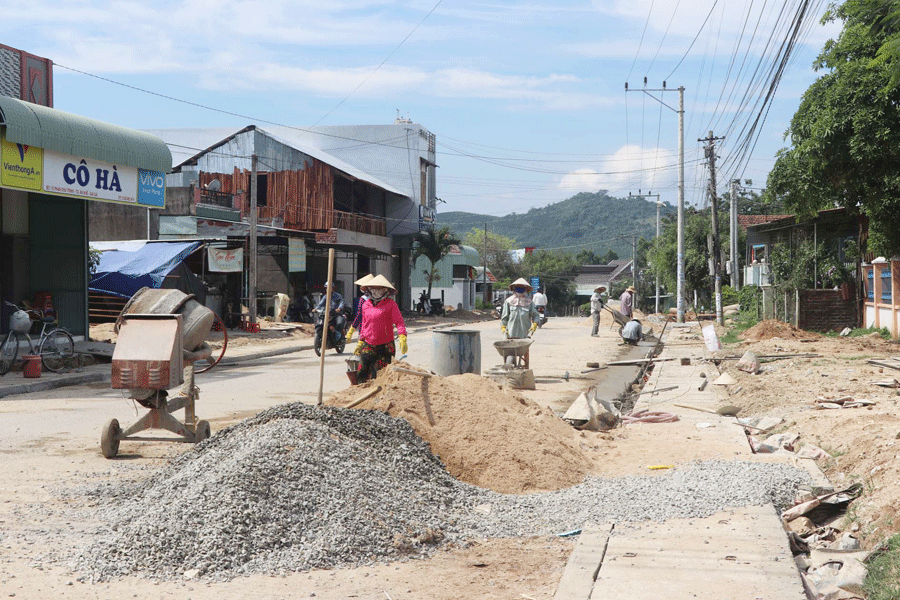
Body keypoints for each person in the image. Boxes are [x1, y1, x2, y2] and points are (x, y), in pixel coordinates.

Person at [354, 275, 407, 383]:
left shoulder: (391, 305)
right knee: (362, 371)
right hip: (369, 343)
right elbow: (364, 325)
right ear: (369, 290)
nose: (376, 291)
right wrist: (360, 341)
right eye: (374, 288)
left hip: (386, 345)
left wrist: (402, 336)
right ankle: (361, 392)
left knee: (382, 374)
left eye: (380, 288)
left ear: (386, 290)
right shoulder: (366, 305)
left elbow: (399, 322)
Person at [345, 274, 374, 342]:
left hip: (368, 330)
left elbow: (359, 315)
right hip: (366, 329)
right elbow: (359, 315)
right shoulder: (364, 299)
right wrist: (352, 330)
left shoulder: (364, 299)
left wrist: (352, 330)